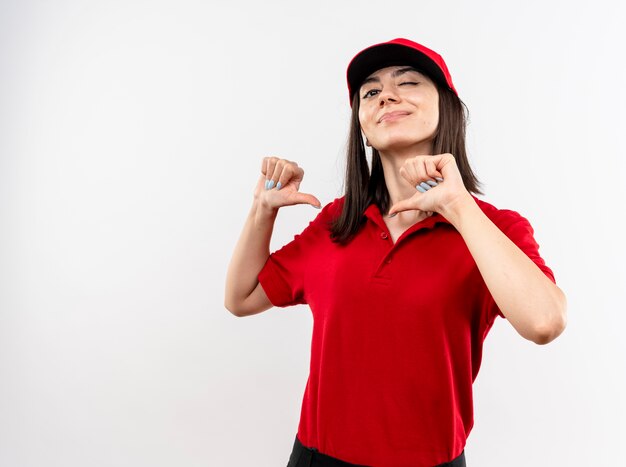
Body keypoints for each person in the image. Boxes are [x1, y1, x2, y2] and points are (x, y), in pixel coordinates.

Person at [224, 38, 567, 467]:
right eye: (370, 92)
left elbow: (544, 323)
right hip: (316, 458)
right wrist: (262, 210)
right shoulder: (335, 222)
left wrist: (457, 206)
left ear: (447, 109)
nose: (386, 94)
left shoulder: (495, 228)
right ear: (364, 129)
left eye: (408, 82)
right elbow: (240, 298)